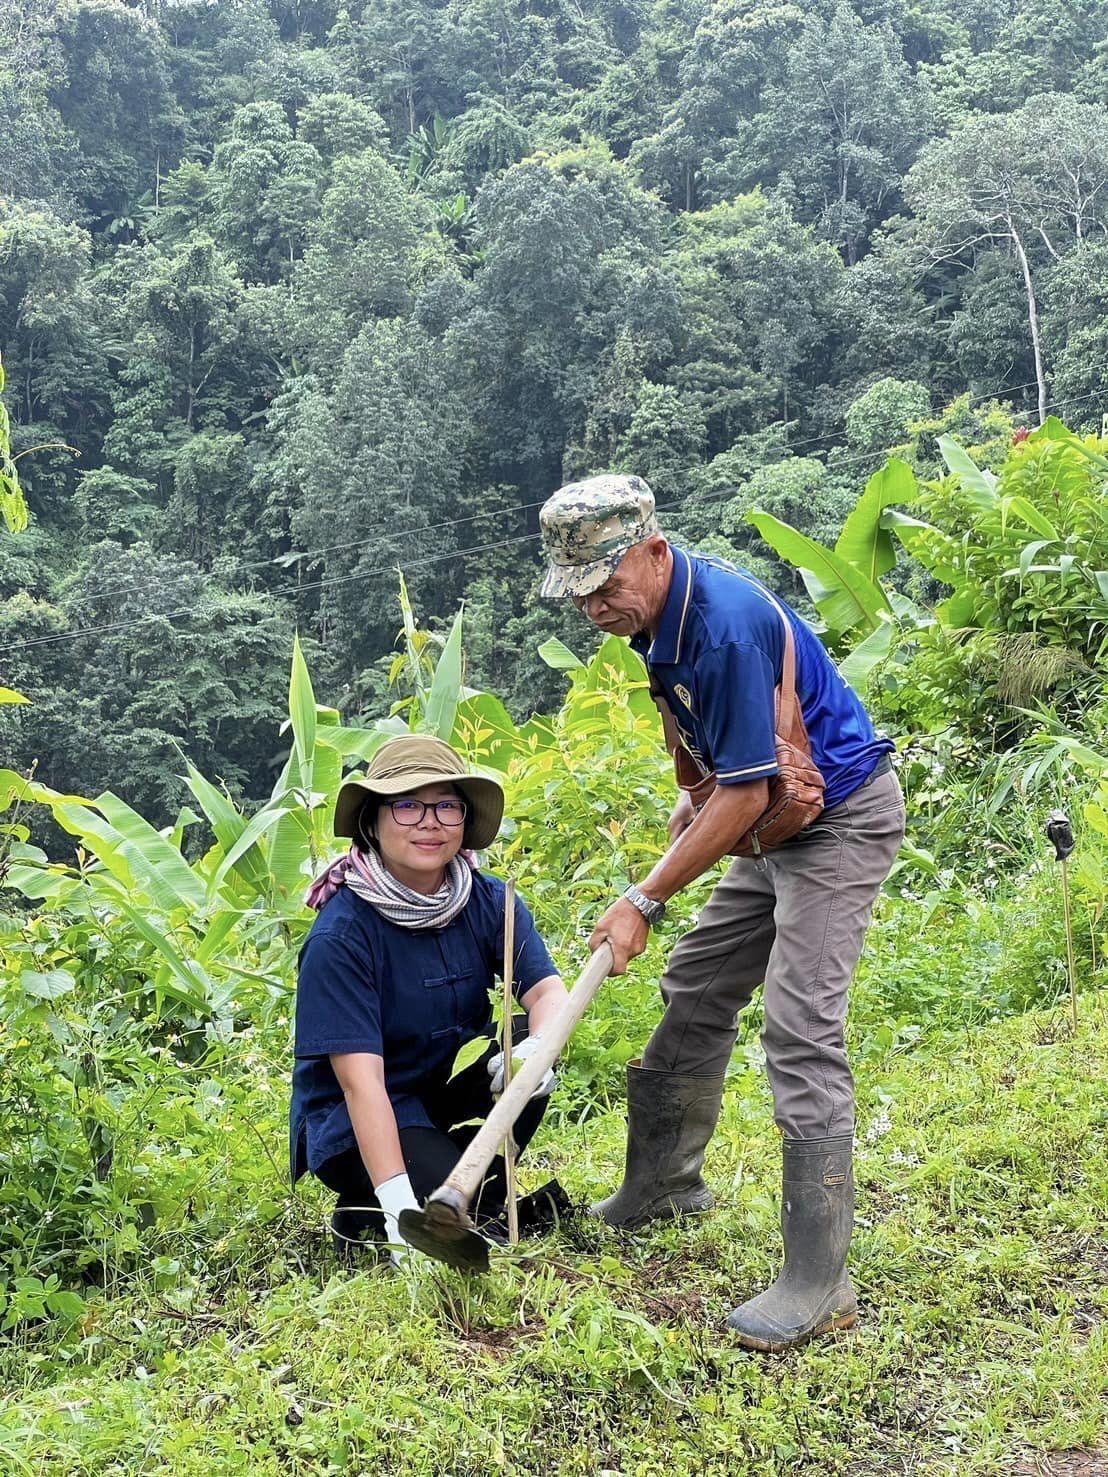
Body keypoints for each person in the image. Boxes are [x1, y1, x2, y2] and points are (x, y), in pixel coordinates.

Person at [538, 473, 906, 1351]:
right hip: (777, 818)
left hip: (839, 818)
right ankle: (664, 1182)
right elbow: (723, 764)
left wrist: (644, 896)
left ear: (656, 552)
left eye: (606, 584)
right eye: (578, 591)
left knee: (801, 1026)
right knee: (697, 981)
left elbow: (748, 795)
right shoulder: (654, 619)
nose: (595, 606)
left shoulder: (726, 623)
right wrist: (694, 792)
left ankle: (821, 1281)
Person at [290, 735, 569, 1265]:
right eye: (408, 805)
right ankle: (376, 1206)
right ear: (372, 821)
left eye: (447, 805)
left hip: (441, 1088)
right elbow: (359, 1082)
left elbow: (546, 991)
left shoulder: (491, 900)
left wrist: (538, 1052)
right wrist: (400, 1210)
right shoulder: (342, 936)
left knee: (518, 1038)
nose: (430, 821)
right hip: (360, 1115)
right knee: (446, 1204)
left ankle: (458, 1196)